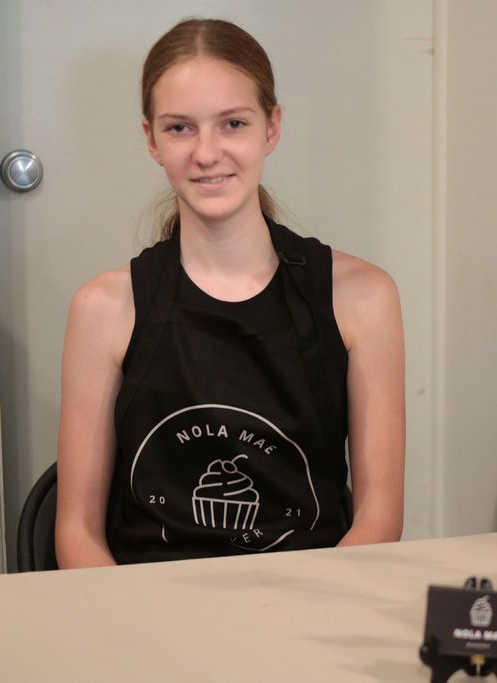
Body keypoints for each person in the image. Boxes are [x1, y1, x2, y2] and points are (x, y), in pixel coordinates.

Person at [55, 18, 405, 567]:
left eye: (233, 124)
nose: (207, 153)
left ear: (272, 128)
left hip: (311, 608)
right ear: (151, 139)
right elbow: (77, 531)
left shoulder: (362, 297)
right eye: (180, 129)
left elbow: (379, 518)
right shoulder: (102, 309)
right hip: (151, 617)